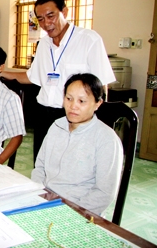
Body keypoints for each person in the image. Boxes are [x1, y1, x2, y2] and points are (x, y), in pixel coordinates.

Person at [0, 0, 116, 164]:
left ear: (65, 12)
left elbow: (101, 86)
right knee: (43, 165)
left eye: (51, 16)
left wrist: (98, 123)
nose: (46, 23)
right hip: (44, 115)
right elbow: (32, 77)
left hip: (73, 116)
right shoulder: (44, 44)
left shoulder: (89, 40)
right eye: (40, 19)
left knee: (71, 168)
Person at [31, 73, 122, 215]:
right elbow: (40, 168)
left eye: (82, 101)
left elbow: (104, 193)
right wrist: (38, 194)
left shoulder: (106, 139)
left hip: (78, 210)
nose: (73, 106)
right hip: (45, 200)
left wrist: (70, 212)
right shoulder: (56, 126)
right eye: (69, 99)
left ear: (98, 104)